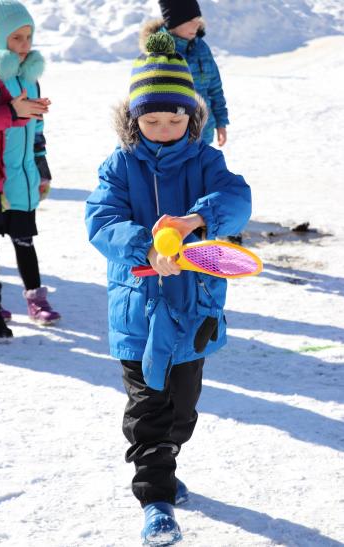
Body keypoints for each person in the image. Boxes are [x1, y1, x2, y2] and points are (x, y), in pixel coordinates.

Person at [85, 32, 251, 545]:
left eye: (175, 118)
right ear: (133, 119)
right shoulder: (120, 165)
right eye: (150, 120)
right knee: (147, 410)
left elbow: (236, 198)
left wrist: (196, 219)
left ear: (191, 117)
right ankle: (155, 497)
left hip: (194, 307)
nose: (162, 129)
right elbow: (101, 218)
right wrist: (145, 249)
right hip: (137, 310)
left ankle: (165, 457)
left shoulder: (204, 160)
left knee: (182, 408)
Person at [0, 0, 50, 342]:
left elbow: (36, 131)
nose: (25, 45)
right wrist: (12, 111)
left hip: (20, 178)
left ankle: (34, 296)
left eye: (29, 37)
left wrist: (42, 166)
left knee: (23, 237)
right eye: (16, 38)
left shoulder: (30, 79)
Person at [140, 0, 229, 147]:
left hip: (204, 133)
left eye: (198, 20)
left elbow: (215, 89)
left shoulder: (201, 48)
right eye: (191, 20)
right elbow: (146, 102)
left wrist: (221, 122)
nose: (197, 25)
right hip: (173, 139)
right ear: (175, 21)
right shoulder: (158, 53)